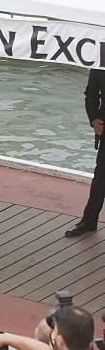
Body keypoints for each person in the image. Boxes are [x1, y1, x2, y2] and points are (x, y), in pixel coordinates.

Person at [66, 69, 105, 236]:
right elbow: (91, 94)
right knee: (100, 177)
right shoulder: (100, 59)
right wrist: (94, 119)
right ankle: (89, 220)